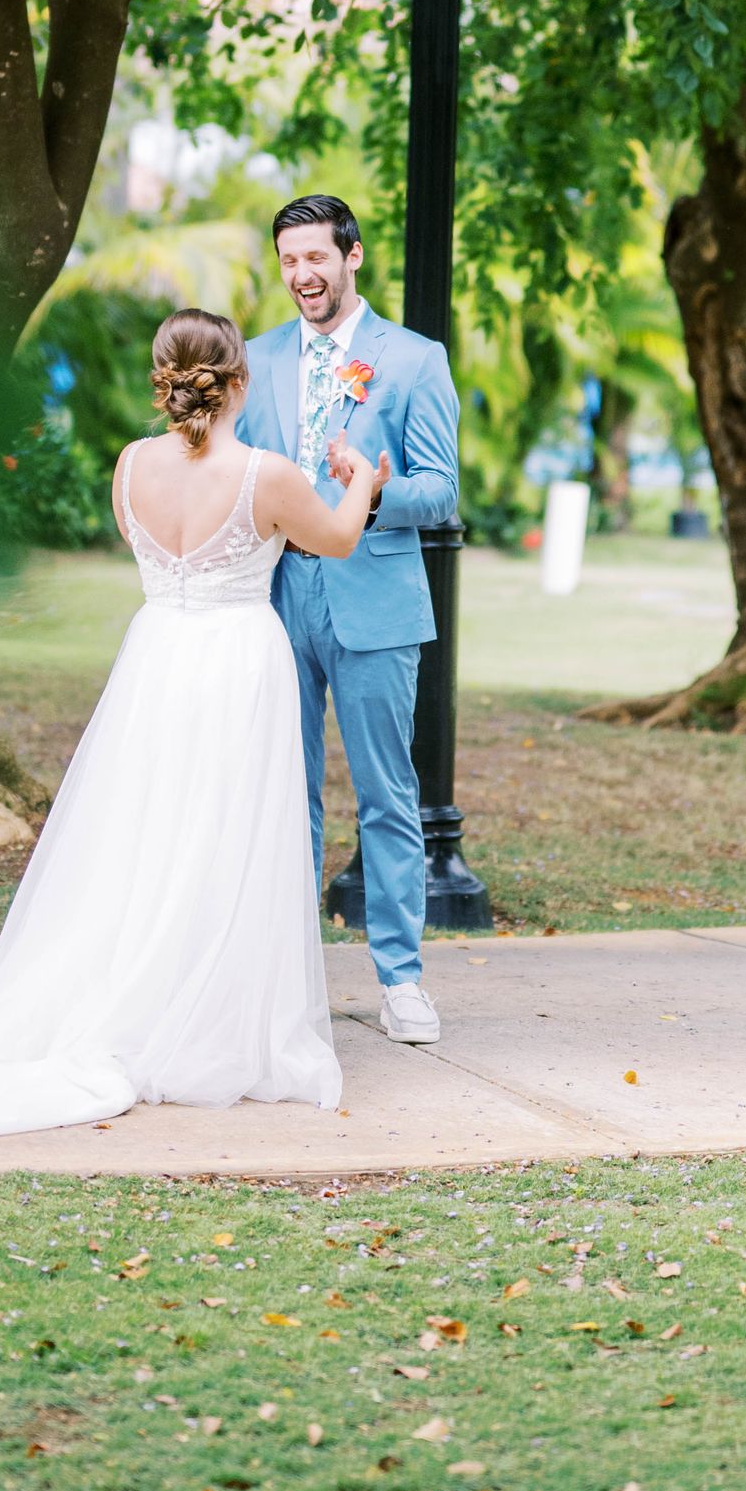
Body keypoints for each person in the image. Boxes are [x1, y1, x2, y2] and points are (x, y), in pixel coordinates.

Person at [0, 310, 387, 1144]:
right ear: (239, 383)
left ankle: (131, 988)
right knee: (224, 833)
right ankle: (204, 1014)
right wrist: (360, 474)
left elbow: (153, 550)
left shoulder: (130, 466)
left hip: (157, 657)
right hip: (236, 663)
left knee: (142, 830)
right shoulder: (270, 473)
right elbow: (334, 540)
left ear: (165, 379)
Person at [236, 194, 460, 1045]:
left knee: (386, 794)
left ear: (352, 255)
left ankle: (401, 980)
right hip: (274, 600)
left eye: (316, 259)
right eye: (289, 261)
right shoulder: (254, 362)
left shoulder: (412, 360)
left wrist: (369, 489)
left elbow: (441, 491)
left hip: (374, 599)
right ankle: (286, 976)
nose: (302, 276)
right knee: (280, 794)